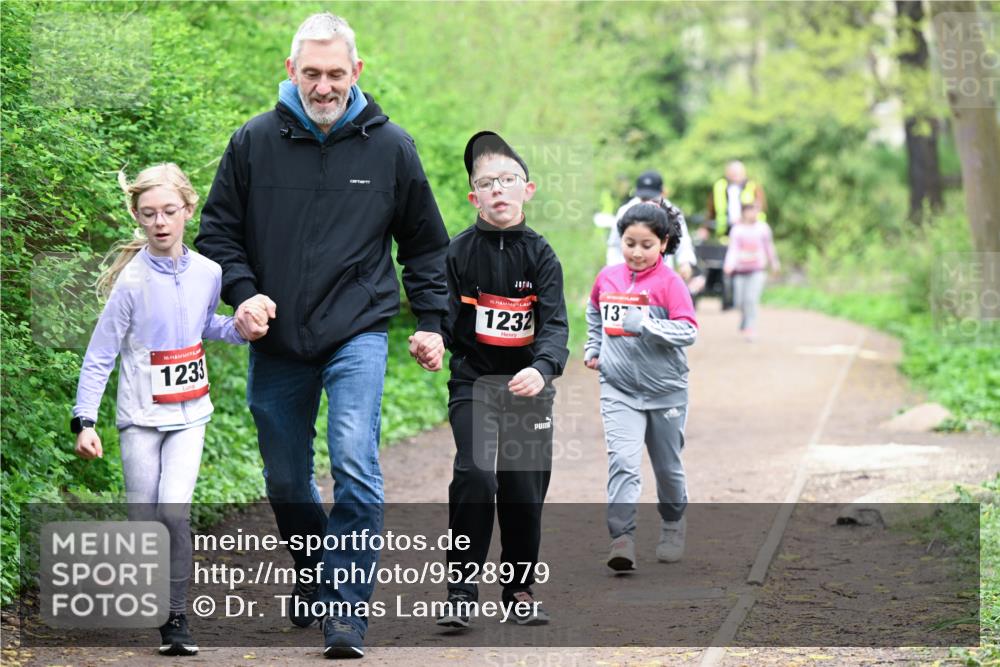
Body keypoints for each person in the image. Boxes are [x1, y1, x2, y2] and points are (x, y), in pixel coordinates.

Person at [194, 13, 450, 659]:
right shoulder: (253, 141)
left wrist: (432, 322)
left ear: (356, 72)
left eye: (336, 73)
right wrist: (244, 291)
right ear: (291, 71)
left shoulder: (392, 147)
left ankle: (346, 613)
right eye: (312, 72)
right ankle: (315, 569)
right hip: (277, 337)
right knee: (285, 480)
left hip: (356, 329)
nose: (324, 85)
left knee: (356, 463)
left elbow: (424, 246)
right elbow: (218, 232)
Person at [72, 164, 254, 656]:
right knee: (143, 520)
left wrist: (239, 327)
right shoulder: (131, 283)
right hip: (139, 419)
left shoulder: (209, 272)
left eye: (169, 211)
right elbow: (100, 354)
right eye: (149, 213)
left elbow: (204, 327)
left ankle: (175, 618)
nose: (160, 222)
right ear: (136, 215)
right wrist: (84, 419)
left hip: (189, 414)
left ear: (188, 210)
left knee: (173, 514)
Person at [435, 131, 568, 629]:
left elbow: (555, 324)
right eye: (487, 182)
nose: (499, 190)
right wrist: (432, 338)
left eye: (508, 179)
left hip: (529, 387)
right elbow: (443, 319)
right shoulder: (457, 253)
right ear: (475, 197)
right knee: (474, 473)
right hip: (475, 383)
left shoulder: (542, 255)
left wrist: (541, 367)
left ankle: (519, 589)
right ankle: (462, 590)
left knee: (522, 485)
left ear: (526, 189)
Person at [584, 203, 698, 572]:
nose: (636, 252)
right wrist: (594, 347)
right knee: (623, 461)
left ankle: (672, 524)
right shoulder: (608, 277)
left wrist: (646, 324)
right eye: (629, 243)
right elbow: (594, 312)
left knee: (668, 468)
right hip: (618, 387)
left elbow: (689, 331)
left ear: (663, 243)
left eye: (646, 244)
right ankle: (623, 539)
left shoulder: (671, 284)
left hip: (665, 390)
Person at [606, 170, 696, 282]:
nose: (648, 202)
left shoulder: (671, 211)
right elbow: (614, 245)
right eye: (644, 198)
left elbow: (683, 241)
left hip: (661, 277)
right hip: (629, 276)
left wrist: (685, 262)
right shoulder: (625, 211)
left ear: (662, 193)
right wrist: (613, 272)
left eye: (652, 198)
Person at [706, 160, 767, 310]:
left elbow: (761, 209)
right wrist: (706, 227)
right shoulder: (719, 187)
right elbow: (711, 209)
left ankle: (743, 299)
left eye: (738, 173)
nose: (735, 177)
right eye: (732, 174)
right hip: (725, 234)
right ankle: (728, 299)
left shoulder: (753, 187)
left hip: (747, 235)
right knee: (726, 267)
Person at [723, 203, 780, 341]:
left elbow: (769, 247)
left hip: (757, 270)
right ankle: (744, 320)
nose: (752, 214)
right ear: (744, 213)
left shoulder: (763, 228)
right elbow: (733, 249)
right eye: (749, 211)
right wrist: (729, 265)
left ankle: (750, 328)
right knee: (740, 302)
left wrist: (774, 263)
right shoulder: (737, 230)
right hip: (741, 270)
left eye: (755, 211)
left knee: (751, 300)